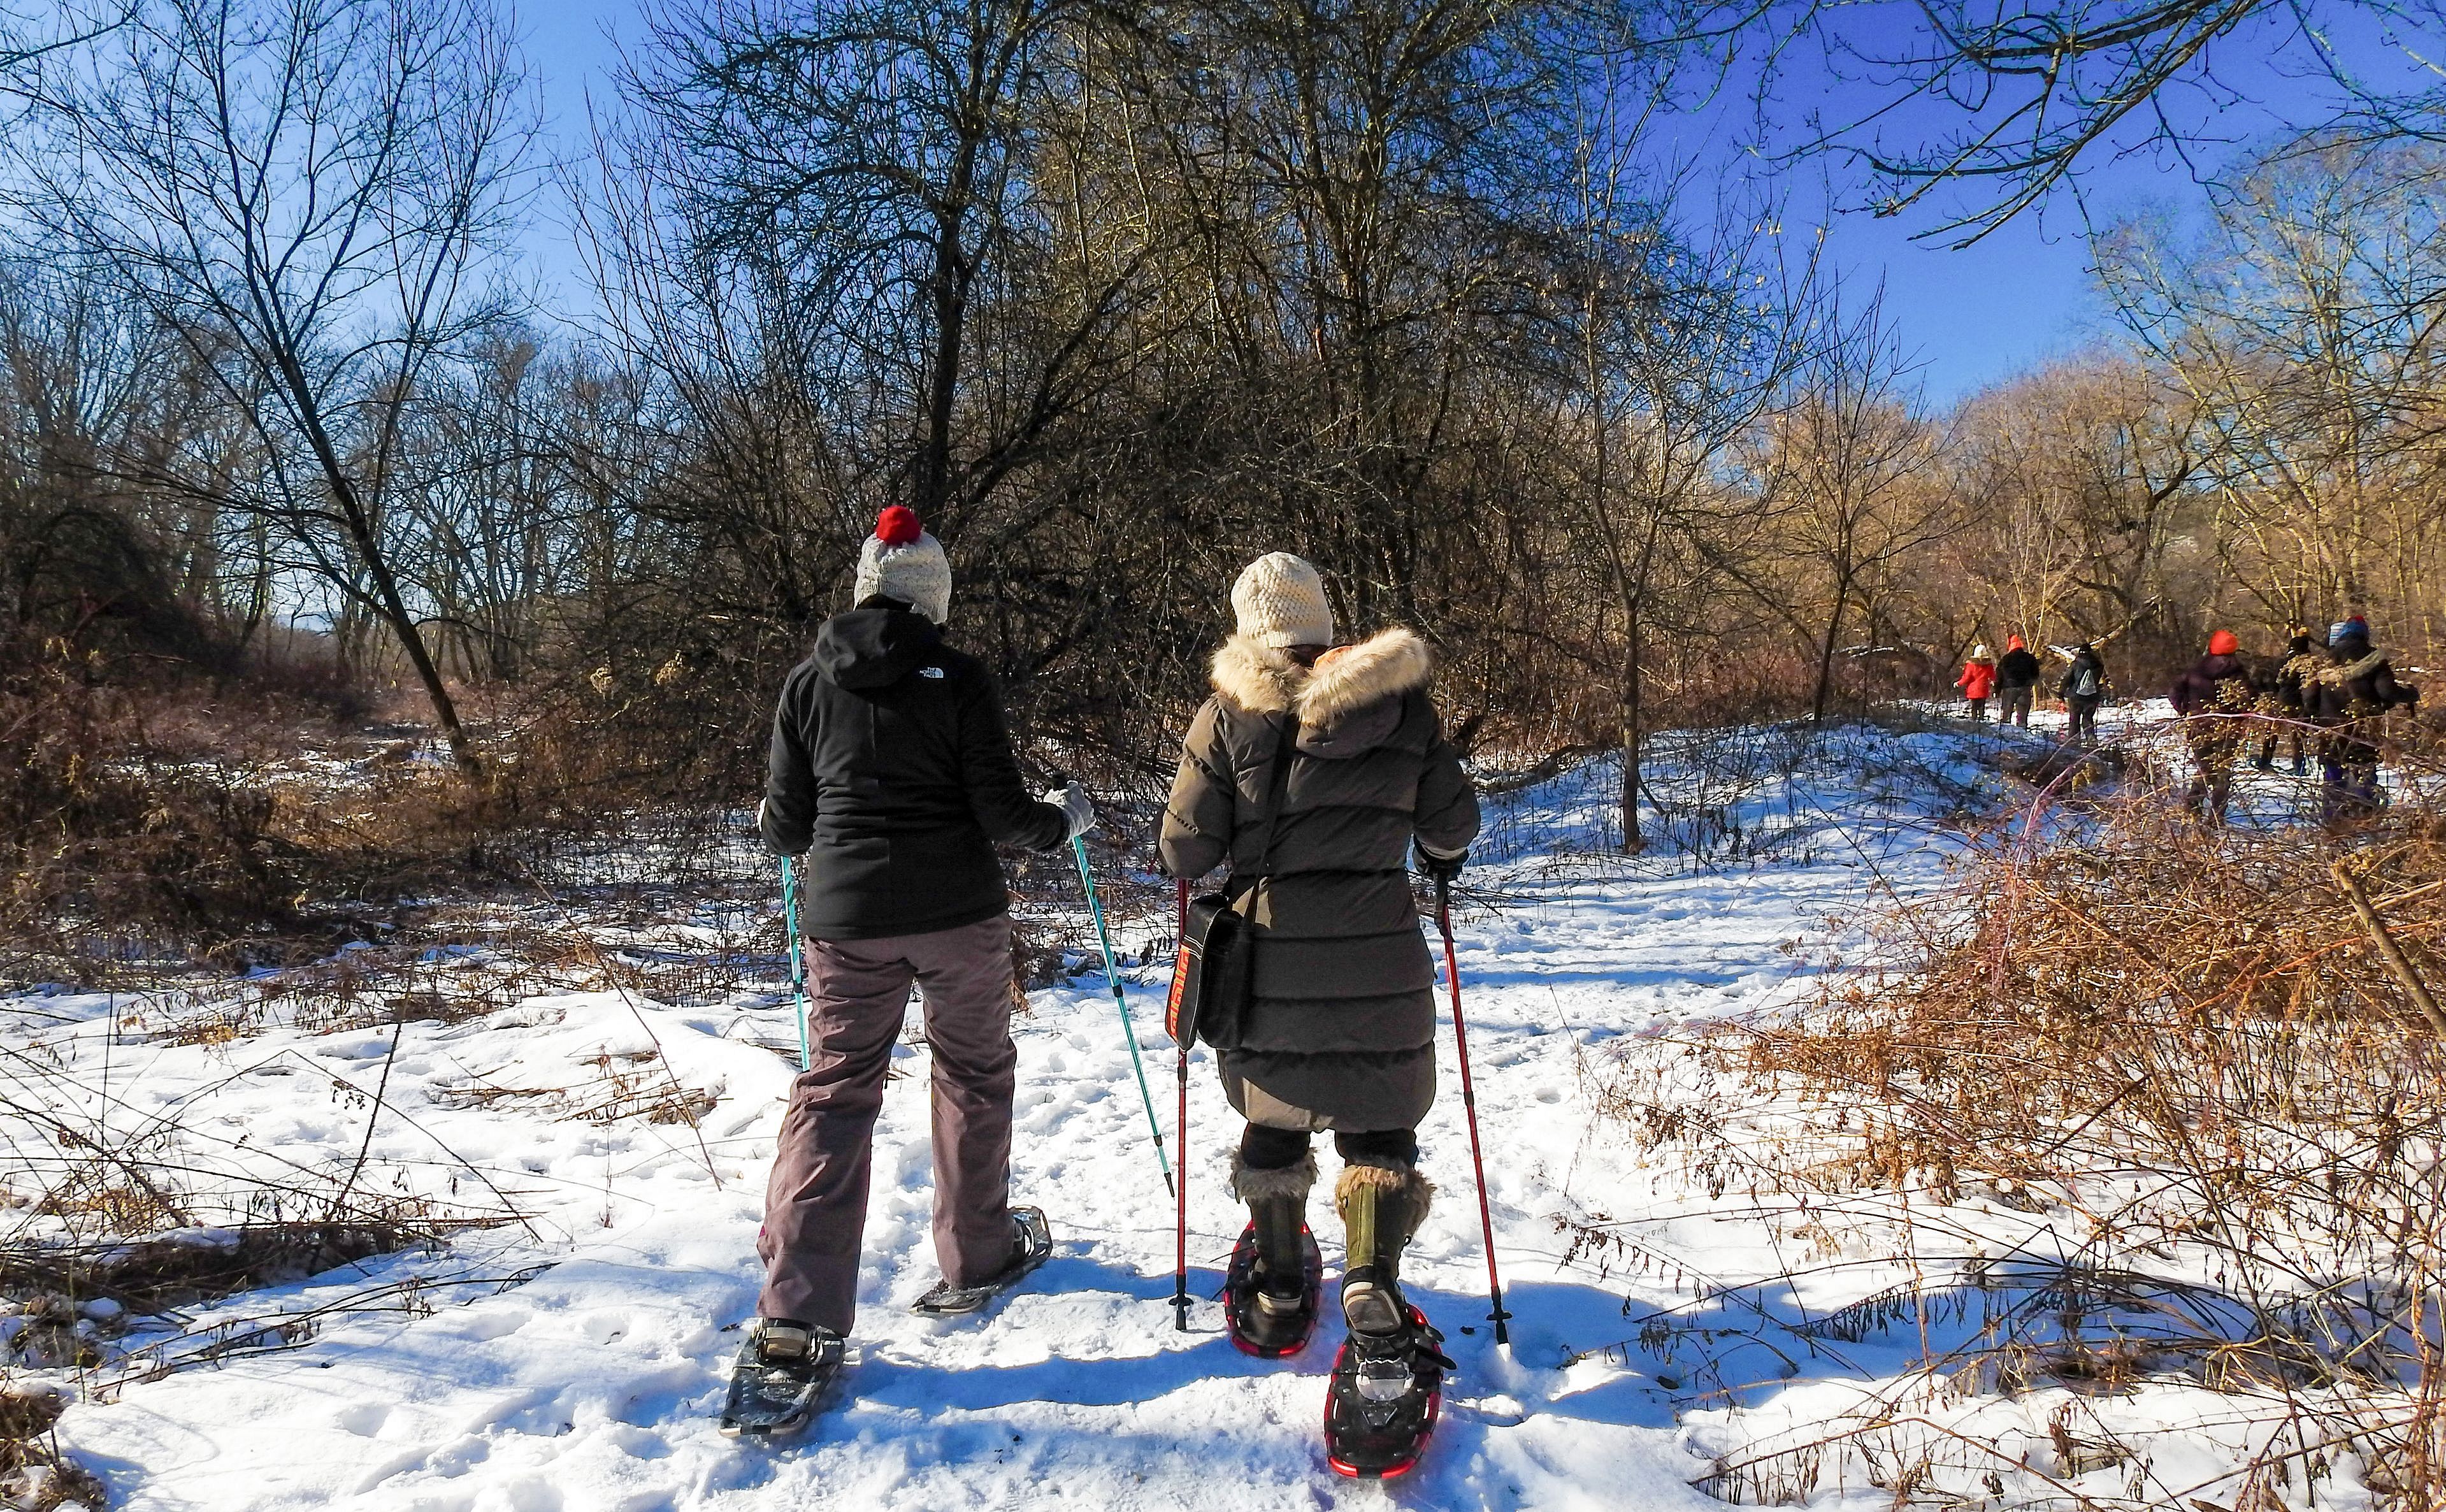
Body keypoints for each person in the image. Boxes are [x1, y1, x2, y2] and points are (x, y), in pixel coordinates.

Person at [744, 507, 1093, 1388]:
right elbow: (1006, 818)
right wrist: (1068, 819)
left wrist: (786, 812)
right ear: (931, 594)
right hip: (956, 915)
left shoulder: (805, 684)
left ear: (864, 587)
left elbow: (786, 830)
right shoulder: (959, 678)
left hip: (846, 923)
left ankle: (794, 1315)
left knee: (832, 1096)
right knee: (971, 1073)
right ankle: (977, 1253)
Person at [1159, 552, 1479, 1434]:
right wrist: (1435, 859)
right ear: (1323, 623)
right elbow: (1451, 823)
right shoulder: (1399, 705)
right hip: (1380, 949)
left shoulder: (1229, 714)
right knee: (1379, 1121)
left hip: (1270, 958)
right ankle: (1372, 1279)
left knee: (1275, 1113)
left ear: (1248, 630)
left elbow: (1184, 850)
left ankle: (1276, 1285)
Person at [2310, 616, 2419, 822]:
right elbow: (2387, 691)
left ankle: (2333, 820)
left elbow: (2309, 696)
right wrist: (2410, 695)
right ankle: (2367, 819)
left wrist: (2315, 716)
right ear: (2365, 635)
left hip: (2330, 728)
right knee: (2365, 771)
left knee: (2333, 774)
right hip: (2363, 726)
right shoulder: (2375, 658)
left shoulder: (2325, 660)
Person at [2168, 630, 2256, 824]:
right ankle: (2216, 817)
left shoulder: (2196, 670)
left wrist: (2186, 711)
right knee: (2223, 771)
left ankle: (2193, 805)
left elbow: (2174, 691)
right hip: (2228, 728)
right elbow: (2250, 700)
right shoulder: (2239, 674)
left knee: (2204, 768)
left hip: (2198, 727)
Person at [2255, 626, 2320, 774]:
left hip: (2282, 702)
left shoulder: (2282, 662)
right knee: (2298, 737)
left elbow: (2273, 683)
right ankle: (2299, 766)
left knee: (2272, 732)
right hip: (2302, 704)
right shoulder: (2312, 664)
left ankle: (2265, 761)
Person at [2059, 643, 2108, 745]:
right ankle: (2091, 740)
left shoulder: (2075, 664)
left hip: (2076, 696)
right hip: (2092, 697)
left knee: (2074, 719)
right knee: (2088, 718)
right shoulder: (2099, 665)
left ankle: (2073, 741)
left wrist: (2061, 693)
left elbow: (2067, 679)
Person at [1995, 635, 2042, 728]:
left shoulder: (2006, 659)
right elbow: (2036, 674)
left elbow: (1999, 675)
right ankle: (2022, 732)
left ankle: (2005, 732)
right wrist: (2030, 683)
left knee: (2007, 713)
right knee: (2022, 715)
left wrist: (1997, 690)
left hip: (2009, 689)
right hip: (2024, 688)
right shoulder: (2030, 658)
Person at [1954, 645, 1997, 721]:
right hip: (1983, 688)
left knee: (1974, 707)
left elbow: (1966, 678)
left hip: (1973, 689)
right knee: (1982, 707)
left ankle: (1974, 721)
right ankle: (1981, 720)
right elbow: (1993, 676)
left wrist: (1958, 683)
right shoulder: (1988, 665)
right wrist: (1993, 682)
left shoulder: (1971, 665)